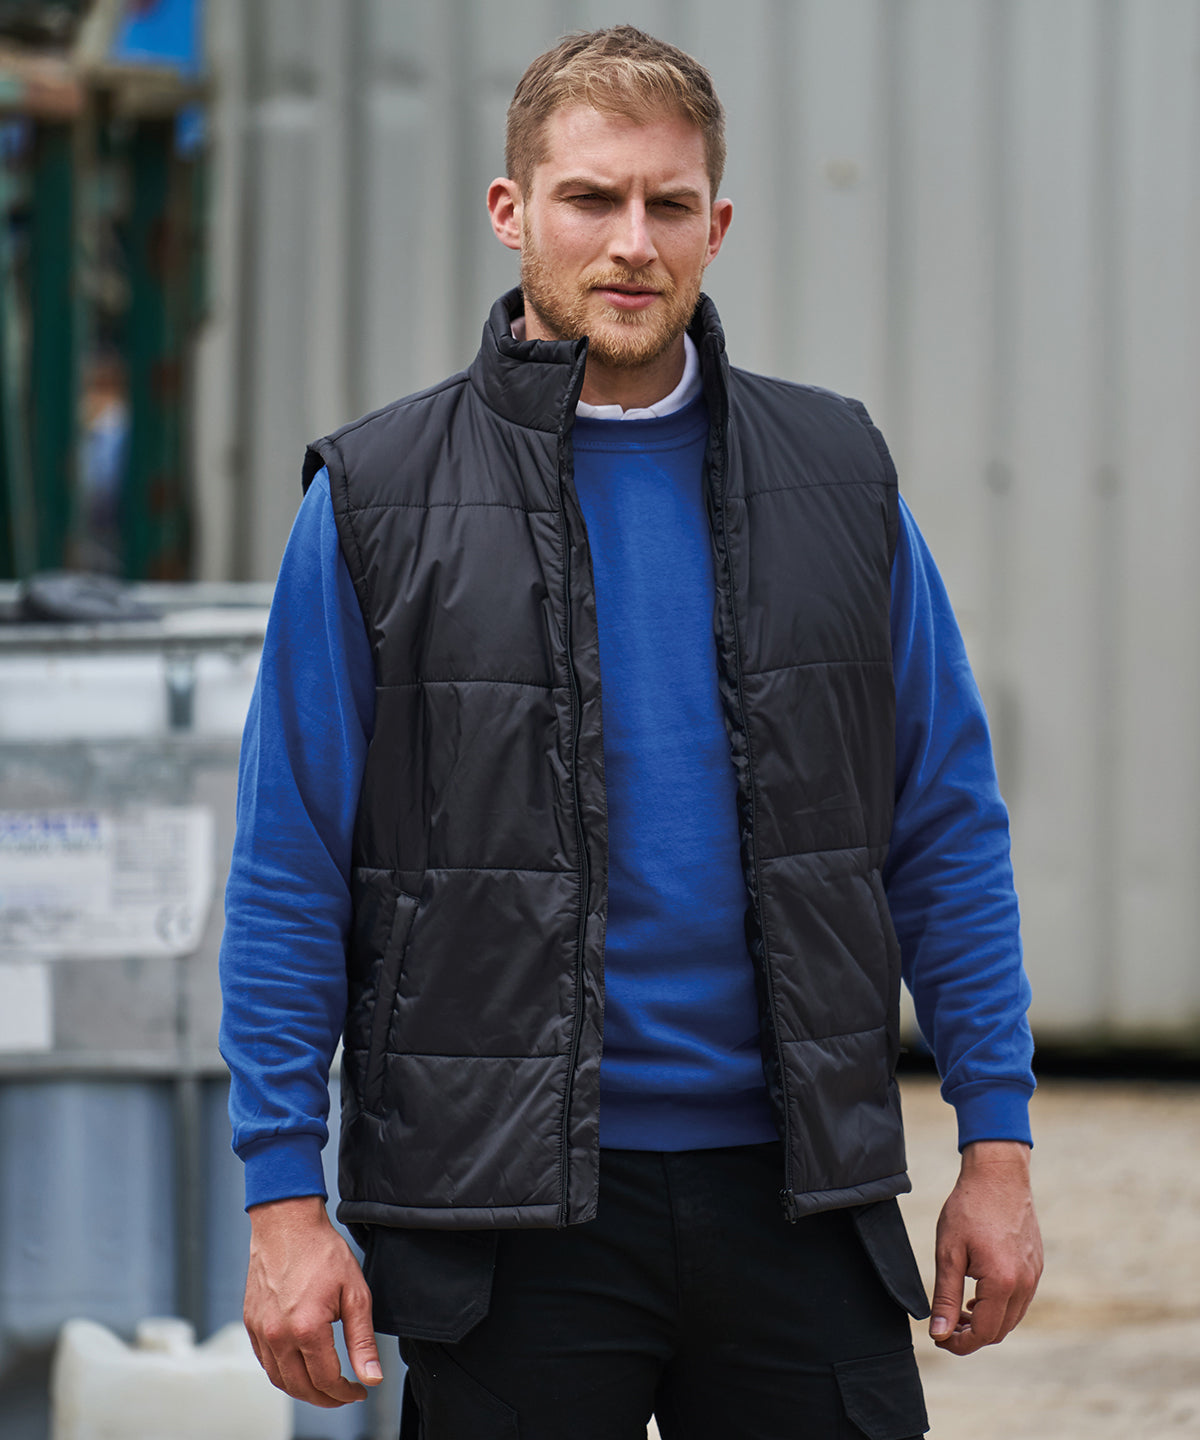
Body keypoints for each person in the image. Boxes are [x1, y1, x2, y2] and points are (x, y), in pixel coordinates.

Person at [219, 26, 1042, 1440]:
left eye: (669, 204)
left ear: (717, 226)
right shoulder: (375, 500)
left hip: (798, 1194)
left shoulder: (839, 479)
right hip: (505, 1217)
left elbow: (945, 831)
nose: (631, 243)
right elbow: (291, 866)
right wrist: (282, 1198)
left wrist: (998, 1146)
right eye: (590, 199)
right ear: (512, 211)